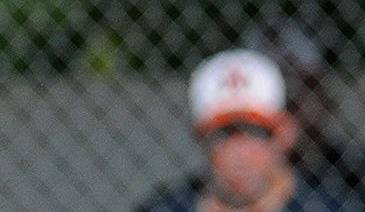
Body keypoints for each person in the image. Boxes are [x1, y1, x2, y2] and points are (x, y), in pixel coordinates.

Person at [133, 49, 346, 212]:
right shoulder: (167, 208)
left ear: (284, 133)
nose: (238, 155)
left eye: (254, 132)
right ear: (199, 138)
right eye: (222, 135)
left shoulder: (329, 207)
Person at [243, 22, 365, 212]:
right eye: (272, 95)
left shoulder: (357, 173)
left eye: (303, 89)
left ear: (325, 98)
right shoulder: (226, 180)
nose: (288, 107)